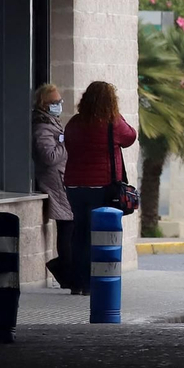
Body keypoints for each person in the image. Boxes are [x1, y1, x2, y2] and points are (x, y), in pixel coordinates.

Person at [62, 81, 137, 296]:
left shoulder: (75, 122)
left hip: (74, 185)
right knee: (100, 235)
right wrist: (117, 115)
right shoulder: (112, 123)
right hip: (102, 187)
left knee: (80, 233)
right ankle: (97, 280)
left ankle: (78, 283)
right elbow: (130, 137)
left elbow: (69, 144)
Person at [31, 83, 72, 290]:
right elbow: (49, 156)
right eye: (54, 102)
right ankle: (64, 270)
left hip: (62, 178)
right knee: (66, 226)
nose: (59, 105)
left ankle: (66, 270)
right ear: (43, 104)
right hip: (55, 180)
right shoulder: (42, 127)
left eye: (60, 101)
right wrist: (66, 143)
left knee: (68, 227)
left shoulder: (52, 122)